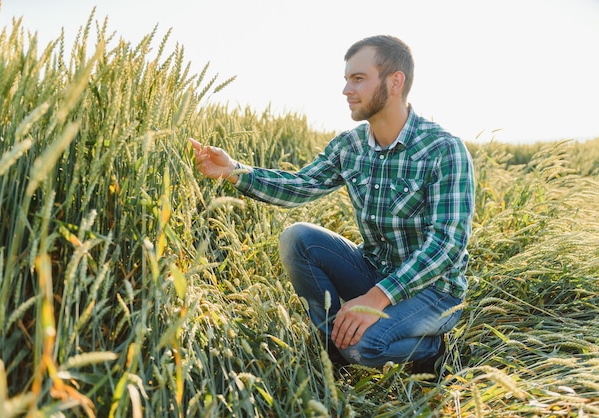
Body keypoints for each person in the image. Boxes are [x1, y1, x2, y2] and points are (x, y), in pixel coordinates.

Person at [189, 35, 475, 375]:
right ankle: (333, 352)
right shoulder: (350, 146)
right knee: (298, 239)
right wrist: (235, 171)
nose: (346, 91)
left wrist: (376, 298)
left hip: (433, 291)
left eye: (358, 79)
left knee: (364, 346)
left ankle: (431, 349)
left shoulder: (443, 149)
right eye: (346, 80)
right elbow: (302, 185)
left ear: (395, 82)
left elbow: (446, 246)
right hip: (375, 271)